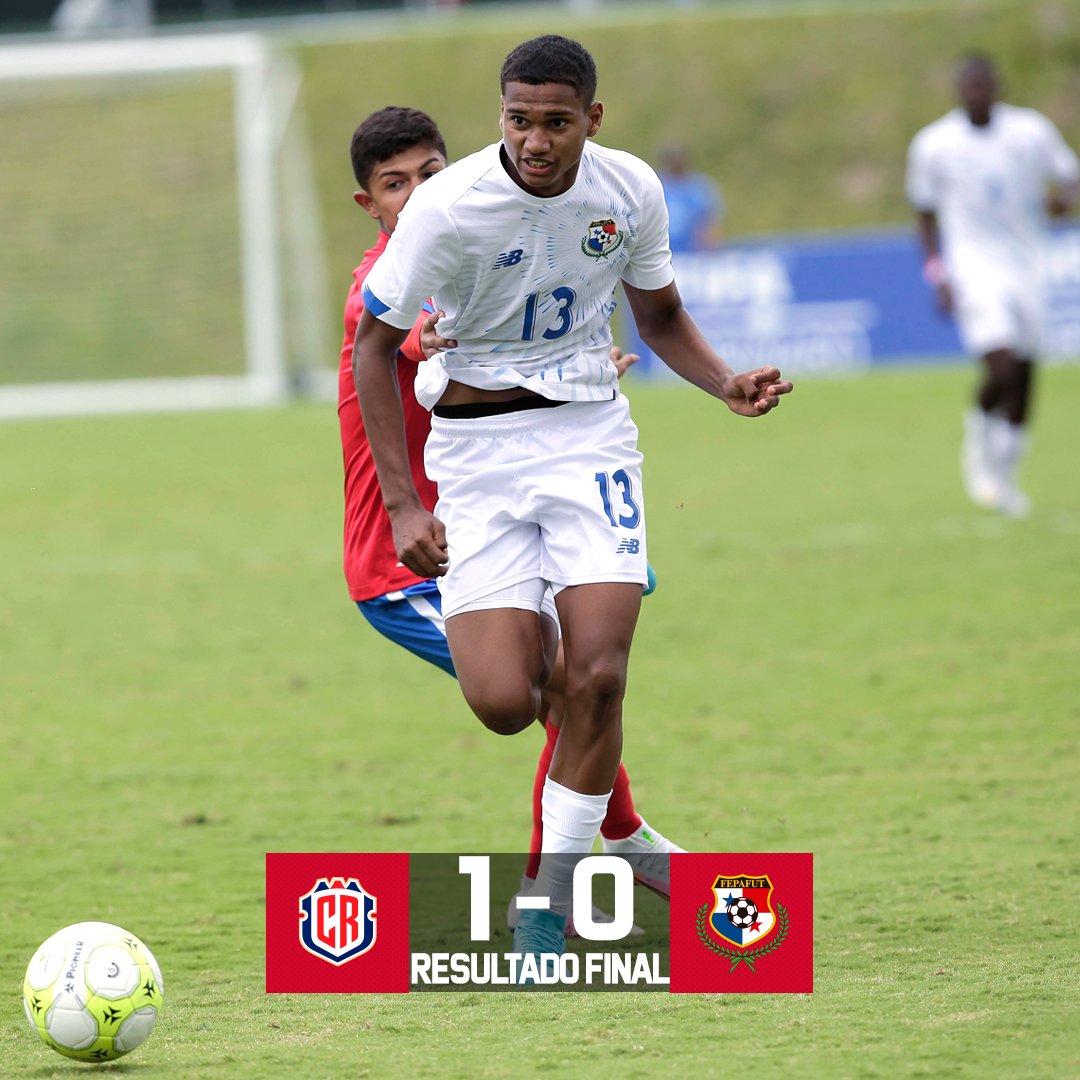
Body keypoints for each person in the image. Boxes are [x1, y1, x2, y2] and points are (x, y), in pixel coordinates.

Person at [353, 37, 791, 963]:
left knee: (597, 676)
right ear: (500, 115)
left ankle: (546, 904)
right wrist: (403, 506)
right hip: (475, 458)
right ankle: (624, 838)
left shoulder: (629, 190)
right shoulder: (450, 205)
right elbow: (370, 349)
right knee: (508, 700)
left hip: (590, 438)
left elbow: (660, 315)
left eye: (557, 122)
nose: (537, 141)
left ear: (592, 119)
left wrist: (723, 384)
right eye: (520, 120)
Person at [337, 106, 680, 935]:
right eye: (396, 184)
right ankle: (626, 843)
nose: (419, 193)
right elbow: (427, 343)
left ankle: (574, 881)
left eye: (430, 173)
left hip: (507, 509)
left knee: (582, 682)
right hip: (404, 562)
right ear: (370, 205)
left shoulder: (469, 246)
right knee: (553, 692)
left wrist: (565, 363)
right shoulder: (381, 292)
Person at [906, 53, 1079, 517]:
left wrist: (1064, 200)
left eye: (985, 85)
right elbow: (924, 213)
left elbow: (1071, 177)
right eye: (970, 86)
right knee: (1000, 366)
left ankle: (1004, 476)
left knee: (1023, 379)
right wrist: (937, 273)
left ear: (997, 87)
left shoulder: (1030, 131)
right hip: (972, 268)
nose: (978, 93)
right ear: (959, 90)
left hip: (1027, 266)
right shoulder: (934, 144)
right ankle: (978, 447)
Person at [657, 140, 725, 253]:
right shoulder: (656, 186)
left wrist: (710, 249)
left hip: (692, 254)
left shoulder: (698, 188)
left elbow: (711, 222)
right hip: (660, 253)